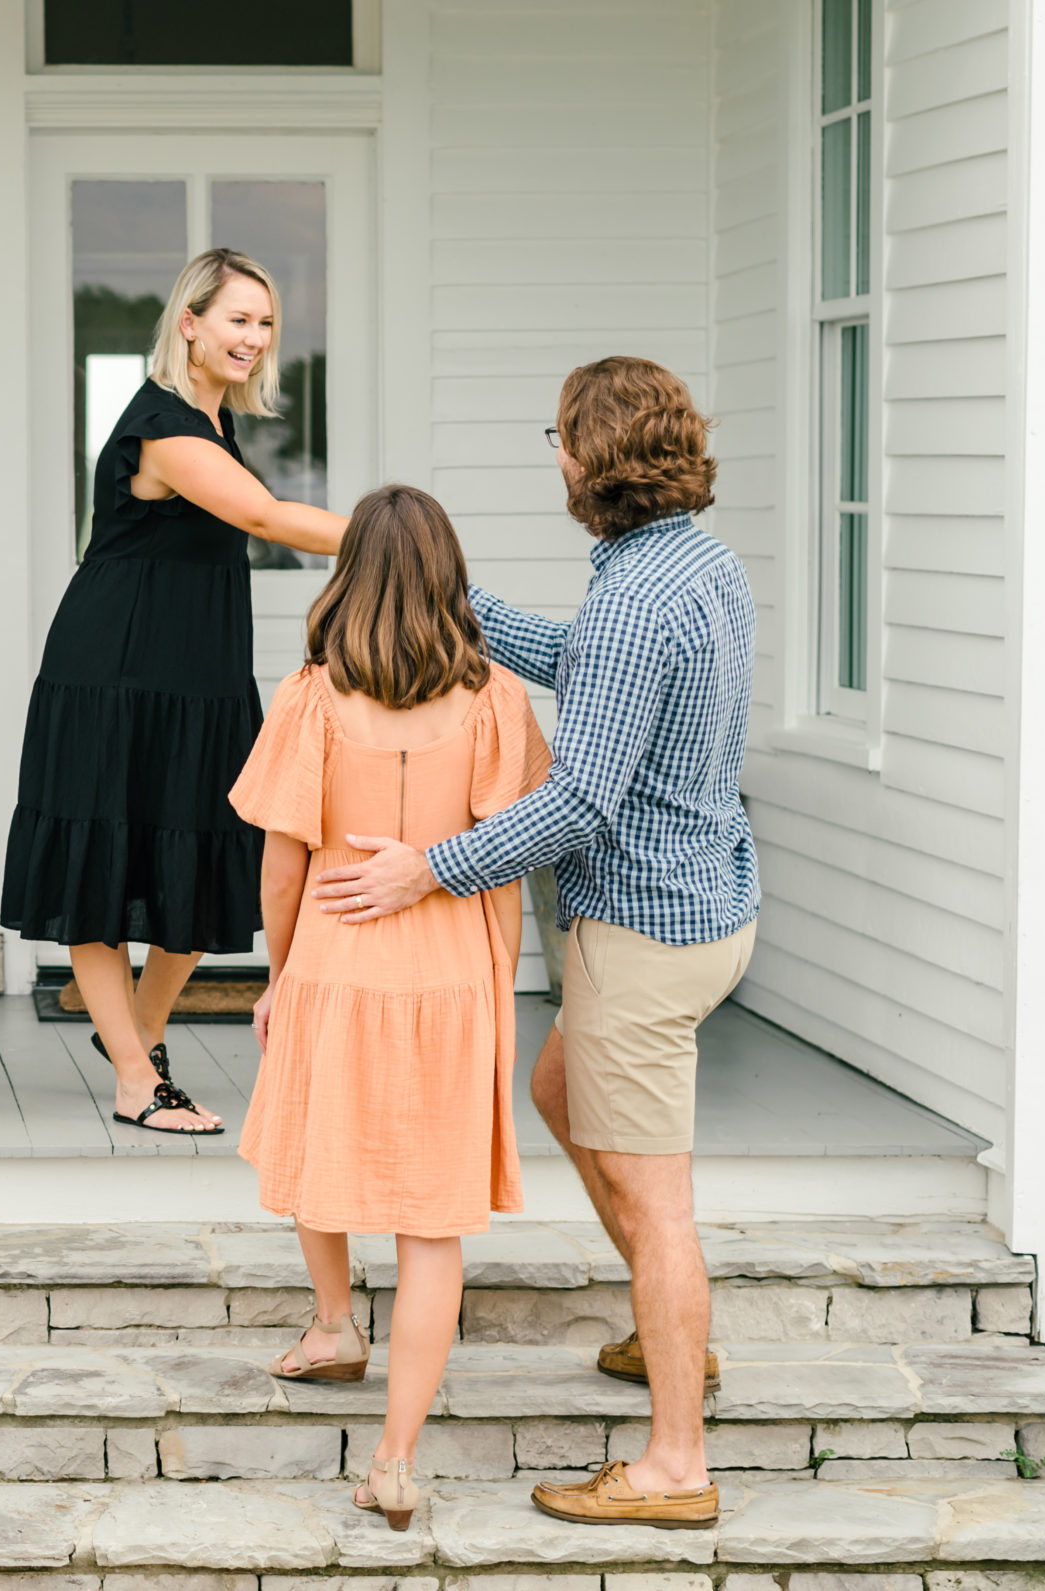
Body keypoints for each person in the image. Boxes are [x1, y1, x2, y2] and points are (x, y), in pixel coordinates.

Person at [309, 356, 758, 1531]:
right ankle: (675, 1335)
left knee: (660, 1205)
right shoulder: (691, 562)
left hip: (644, 931)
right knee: (559, 1090)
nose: (550, 453)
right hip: (712, 901)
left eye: (557, 438)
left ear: (588, 459)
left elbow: (579, 803)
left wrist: (425, 867)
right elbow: (591, 672)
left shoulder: (633, 598)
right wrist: (452, 603)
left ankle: (674, 1458)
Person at [231, 484, 551, 1534]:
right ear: (450, 575)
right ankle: (397, 1459)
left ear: (349, 574)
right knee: (429, 1228)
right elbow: (510, 848)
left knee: (314, 1147)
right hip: (452, 971)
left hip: (334, 954)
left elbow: (282, 863)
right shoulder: (501, 697)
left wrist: (279, 971)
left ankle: (332, 1320)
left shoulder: (310, 698)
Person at [1, 247, 345, 1134]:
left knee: (204, 863)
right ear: (188, 323)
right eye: (237, 319)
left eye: (266, 323)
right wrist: (396, 532)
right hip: (113, 672)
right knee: (101, 866)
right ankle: (135, 1077)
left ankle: (136, 1039)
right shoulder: (162, 425)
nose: (255, 338)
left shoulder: (215, 422)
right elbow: (266, 518)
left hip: (198, 677)